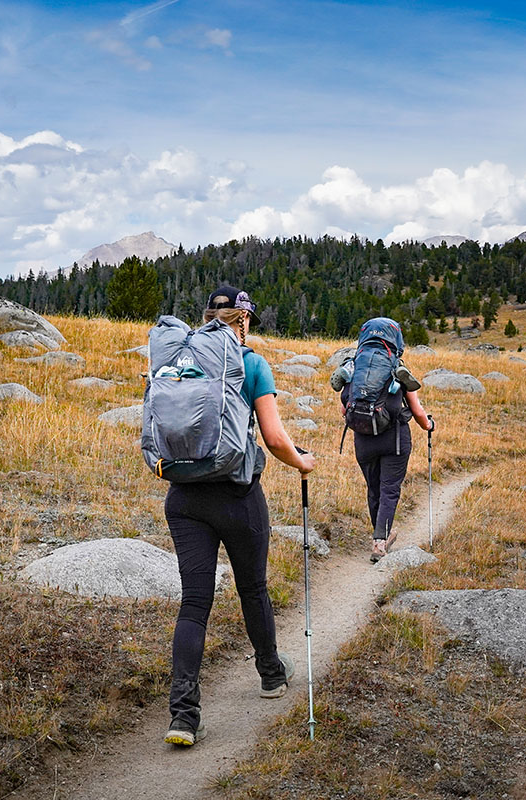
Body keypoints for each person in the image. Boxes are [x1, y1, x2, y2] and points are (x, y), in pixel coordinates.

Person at [163, 286, 315, 747]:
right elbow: (273, 437)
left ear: (207, 317)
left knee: (194, 604)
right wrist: (302, 462)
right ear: (244, 320)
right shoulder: (251, 364)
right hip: (237, 496)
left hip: (184, 498)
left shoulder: (178, 361)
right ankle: (270, 673)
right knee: (252, 587)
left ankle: (183, 717)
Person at [338, 319, 435, 562]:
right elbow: (418, 411)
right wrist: (429, 425)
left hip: (363, 439)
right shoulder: (397, 368)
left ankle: (379, 533)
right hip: (394, 440)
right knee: (389, 490)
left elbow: (343, 409)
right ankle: (380, 542)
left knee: (374, 489)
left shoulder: (353, 369)